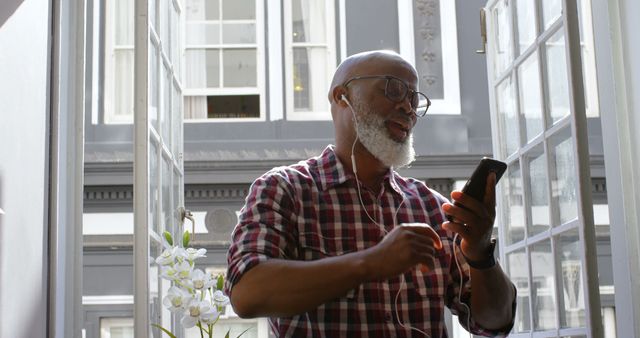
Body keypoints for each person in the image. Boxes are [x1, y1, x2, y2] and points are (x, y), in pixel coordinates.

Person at [225, 50, 516, 337]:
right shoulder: (284, 190)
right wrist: (371, 263)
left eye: (414, 99)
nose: (407, 107)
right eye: (393, 89)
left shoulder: (432, 208)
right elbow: (247, 294)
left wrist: (479, 254)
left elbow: (494, 323)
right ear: (342, 97)